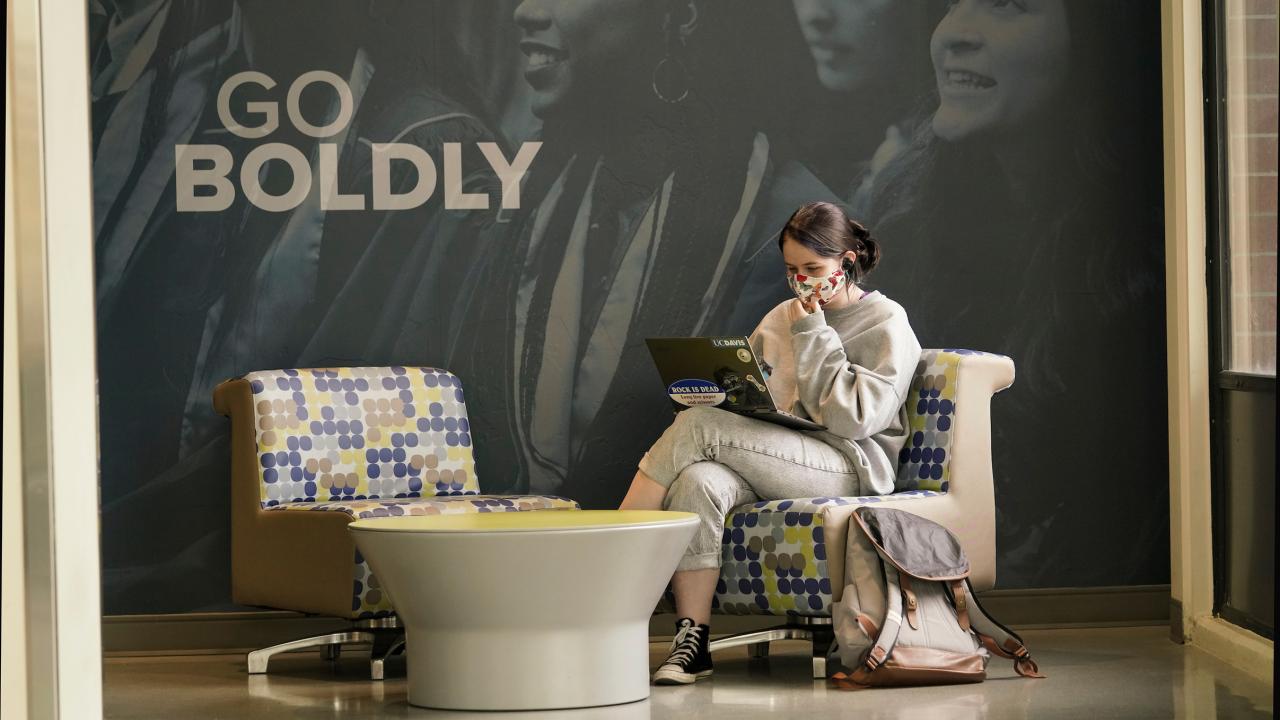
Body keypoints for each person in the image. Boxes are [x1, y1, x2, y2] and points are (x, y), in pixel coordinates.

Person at [446, 0, 841, 509]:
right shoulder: (528, 207)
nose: (525, 11)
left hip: (690, 555)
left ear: (678, 12)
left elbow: (782, 437)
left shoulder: (785, 231)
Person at [864, 0, 1166, 586]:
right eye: (954, 3)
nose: (953, 34)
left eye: (1008, 6)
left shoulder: (1151, 243)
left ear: (1094, 46)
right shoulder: (905, 207)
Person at [619, 201, 922, 685]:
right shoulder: (781, 315)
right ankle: (692, 640)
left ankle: (616, 566)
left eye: (813, 269)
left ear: (846, 262)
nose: (801, 281)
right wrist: (721, 395)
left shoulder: (886, 322)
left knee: (699, 428)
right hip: (779, 454)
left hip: (849, 466)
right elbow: (755, 390)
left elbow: (854, 419)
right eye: (791, 270)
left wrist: (813, 331)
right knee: (699, 478)